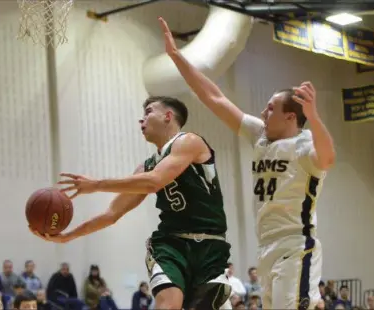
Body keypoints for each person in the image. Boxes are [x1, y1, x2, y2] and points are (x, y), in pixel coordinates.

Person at [156, 15, 335, 310]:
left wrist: (314, 117)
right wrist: (177, 57)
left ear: (291, 116)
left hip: (295, 244)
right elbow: (214, 97)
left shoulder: (305, 146)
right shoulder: (260, 136)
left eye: (271, 107)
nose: (264, 112)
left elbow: (329, 157)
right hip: (265, 246)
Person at [31, 96, 231, 309]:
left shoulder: (189, 141)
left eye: (148, 112)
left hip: (210, 244)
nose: (141, 119)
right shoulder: (146, 167)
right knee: (169, 303)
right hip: (171, 244)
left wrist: (96, 184)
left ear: (168, 116)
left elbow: (155, 182)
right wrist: (67, 237)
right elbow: (111, 214)